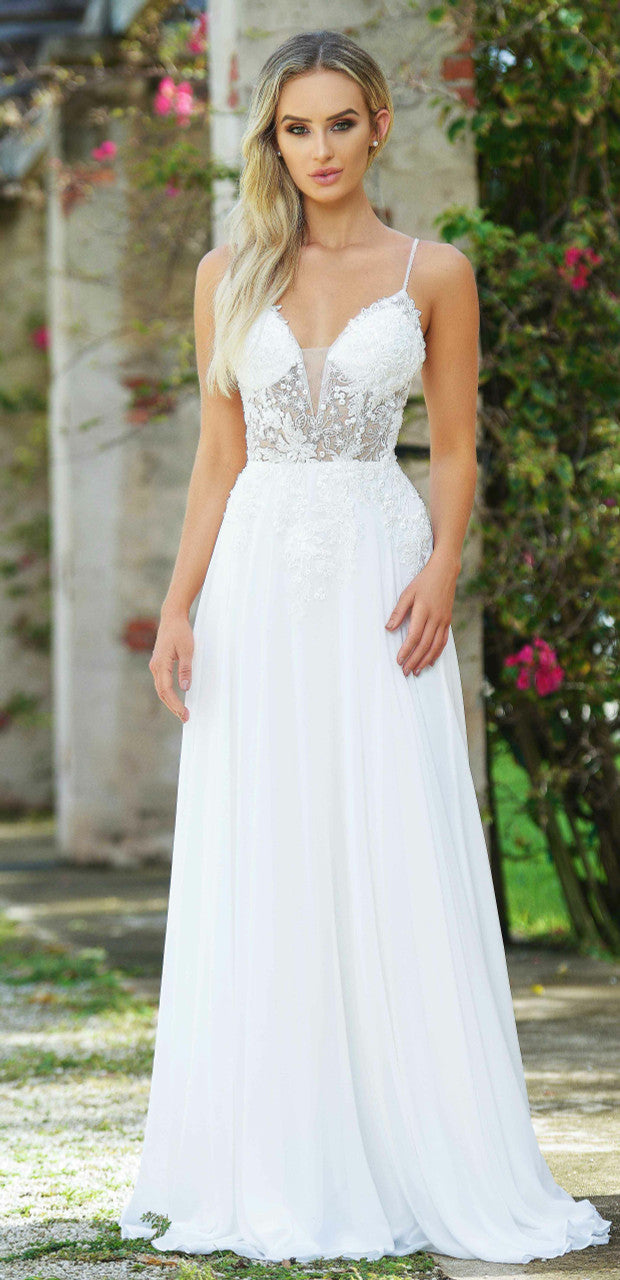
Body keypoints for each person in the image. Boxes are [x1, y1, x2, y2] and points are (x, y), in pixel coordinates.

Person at [118, 27, 611, 1267]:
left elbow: (452, 446)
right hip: (259, 586)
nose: (319, 148)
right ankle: (281, 1149)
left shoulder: (432, 270)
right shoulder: (226, 271)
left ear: (378, 125)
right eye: (296, 127)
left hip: (383, 577)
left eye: (339, 122)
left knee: (387, 839)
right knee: (270, 845)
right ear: (271, 140)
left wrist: (442, 563)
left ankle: (415, 1141)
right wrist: (179, 610)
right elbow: (218, 464)